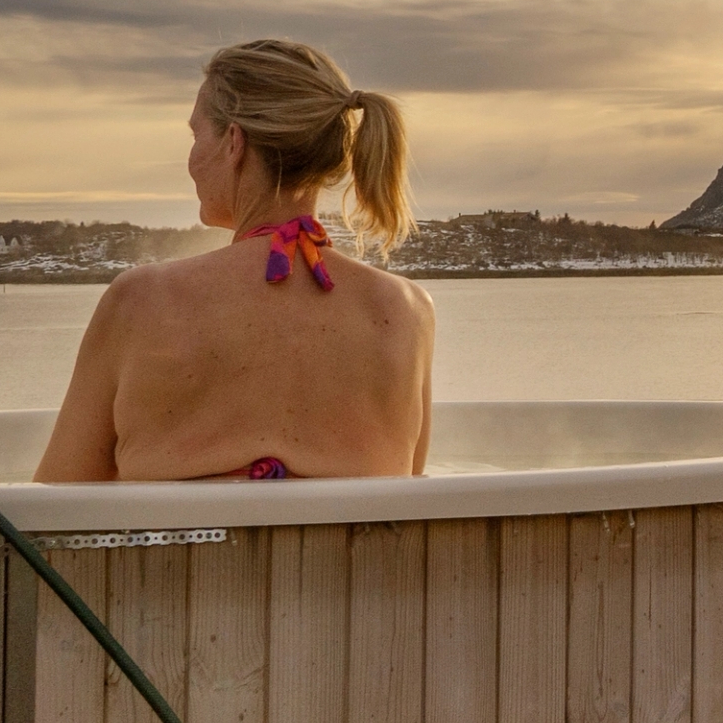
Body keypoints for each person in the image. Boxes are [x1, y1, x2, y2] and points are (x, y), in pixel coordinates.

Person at [37, 40, 435, 481]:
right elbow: (410, 498)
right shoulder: (406, 311)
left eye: (195, 135)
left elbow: (54, 504)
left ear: (233, 142)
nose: (190, 159)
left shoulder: (143, 301)